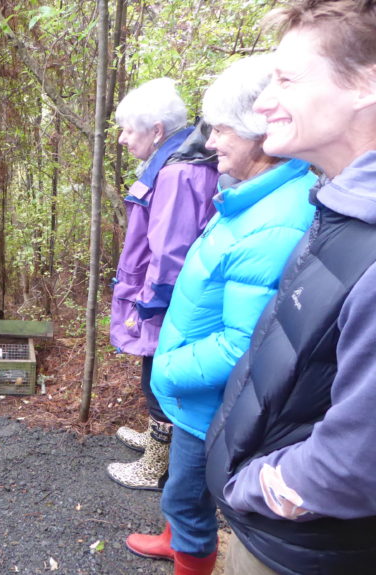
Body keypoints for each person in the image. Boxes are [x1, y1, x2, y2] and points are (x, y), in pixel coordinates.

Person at [124, 55, 317, 575]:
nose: (209, 143)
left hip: (206, 397)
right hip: (196, 389)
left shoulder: (274, 221)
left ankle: (187, 550)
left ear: (258, 133)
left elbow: (244, 343)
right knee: (181, 494)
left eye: (222, 130)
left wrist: (168, 368)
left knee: (188, 496)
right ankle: (177, 539)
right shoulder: (251, 197)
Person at [205, 2, 376, 573]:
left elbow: (352, 466)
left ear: (366, 83)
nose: (262, 104)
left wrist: (252, 485)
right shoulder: (336, 205)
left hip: (302, 549)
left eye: (287, 79)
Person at [107, 78, 219, 490]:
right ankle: (157, 442)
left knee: (159, 375)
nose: (121, 139)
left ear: (156, 130)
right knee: (155, 370)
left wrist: (148, 305)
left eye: (128, 130)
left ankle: (157, 467)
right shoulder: (178, 161)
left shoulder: (177, 174)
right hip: (167, 297)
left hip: (166, 300)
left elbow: (170, 254)